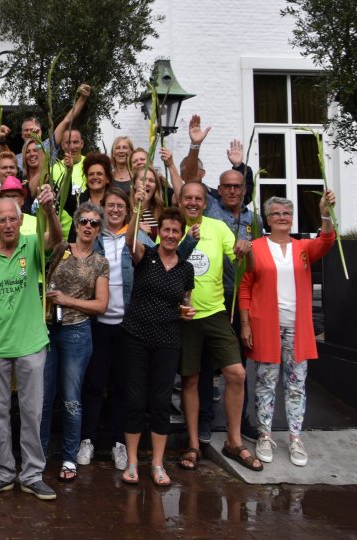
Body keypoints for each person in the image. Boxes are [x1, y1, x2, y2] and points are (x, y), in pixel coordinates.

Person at [0, 186, 61, 501]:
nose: (8, 225)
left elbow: (57, 241)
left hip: (31, 343)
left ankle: (33, 474)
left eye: (13, 219)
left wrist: (49, 211)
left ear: (22, 221)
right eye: (2, 220)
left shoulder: (32, 246)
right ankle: (5, 473)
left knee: (32, 412)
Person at [240, 192, 337, 467]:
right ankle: (264, 434)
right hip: (266, 327)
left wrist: (325, 213)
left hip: (298, 329)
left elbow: (327, 240)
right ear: (267, 219)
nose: (282, 217)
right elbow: (245, 287)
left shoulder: (303, 247)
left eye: (287, 213)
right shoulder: (256, 247)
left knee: (296, 386)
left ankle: (295, 438)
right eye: (276, 213)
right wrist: (245, 324)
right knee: (266, 384)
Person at [174, 181, 260, 473]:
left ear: (205, 202)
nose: (194, 203)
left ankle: (233, 441)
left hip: (215, 312)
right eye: (188, 198)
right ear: (180, 200)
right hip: (184, 316)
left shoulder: (219, 227)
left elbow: (245, 267)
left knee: (236, 373)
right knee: (191, 381)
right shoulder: (172, 227)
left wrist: (245, 250)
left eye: (199, 198)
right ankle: (194, 444)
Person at [120, 205, 196, 487]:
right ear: (159, 231)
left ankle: (157, 463)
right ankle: (131, 462)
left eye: (176, 231)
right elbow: (129, 240)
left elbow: (185, 303)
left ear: (181, 234)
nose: (171, 235)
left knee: (161, 402)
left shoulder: (186, 268)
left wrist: (187, 311)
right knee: (135, 400)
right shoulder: (146, 255)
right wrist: (135, 207)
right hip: (136, 336)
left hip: (168, 340)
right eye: (166, 230)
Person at [78, 188, 153, 471]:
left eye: (121, 205)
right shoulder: (93, 237)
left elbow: (145, 263)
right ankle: (88, 439)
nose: (115, 210)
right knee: (94, 385)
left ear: (127, 209)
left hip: (128, 324)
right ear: (103, 207)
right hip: (97, 324)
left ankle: (119, 443)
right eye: (110, 205)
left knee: (123, 387)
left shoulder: (137, 237)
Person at [40, 202, 110, 482]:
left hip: (77, 332)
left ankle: (69, 457)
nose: (88, 226)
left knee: (71, 399)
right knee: (43, 398)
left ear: (99, 229)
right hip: (46, 328)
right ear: (77, 223)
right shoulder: (60, 249)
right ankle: (40, 454)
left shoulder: (99, 262)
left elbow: (102, 305)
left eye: (94, 223)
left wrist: (67, 301)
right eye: (84, 221)